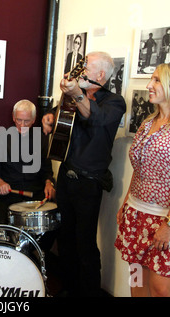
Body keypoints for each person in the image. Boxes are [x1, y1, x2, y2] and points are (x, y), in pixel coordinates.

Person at [115, 63, 170, 297]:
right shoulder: (147, 124)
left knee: (160, 290)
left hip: (164, 219)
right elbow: (139, 168)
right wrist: (126, 203)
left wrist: (169, 225)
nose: (149, 86)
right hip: (135, 213)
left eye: (156, 80)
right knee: (136, 280)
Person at [42, 51, 126, 297]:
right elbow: (60, 116)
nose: (80, 72)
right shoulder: (72, 97)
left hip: (88, 183)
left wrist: (75, 93)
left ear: (100, 74)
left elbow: (95, 118)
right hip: (66, 176)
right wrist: (50, 117)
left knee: (85, 244)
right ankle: (69, 289)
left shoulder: (114, 102)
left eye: (85, 67)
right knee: (65, 239)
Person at [0, 100, 56, 225]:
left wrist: (48, 183)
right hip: (9, 194)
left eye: (27, 121)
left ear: (34, 119)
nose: (22, 125)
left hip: (35, 194)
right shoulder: (2, 137)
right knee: (2, 226)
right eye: (19, 120)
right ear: (13, 117)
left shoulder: (42, 138)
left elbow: (46, 169)